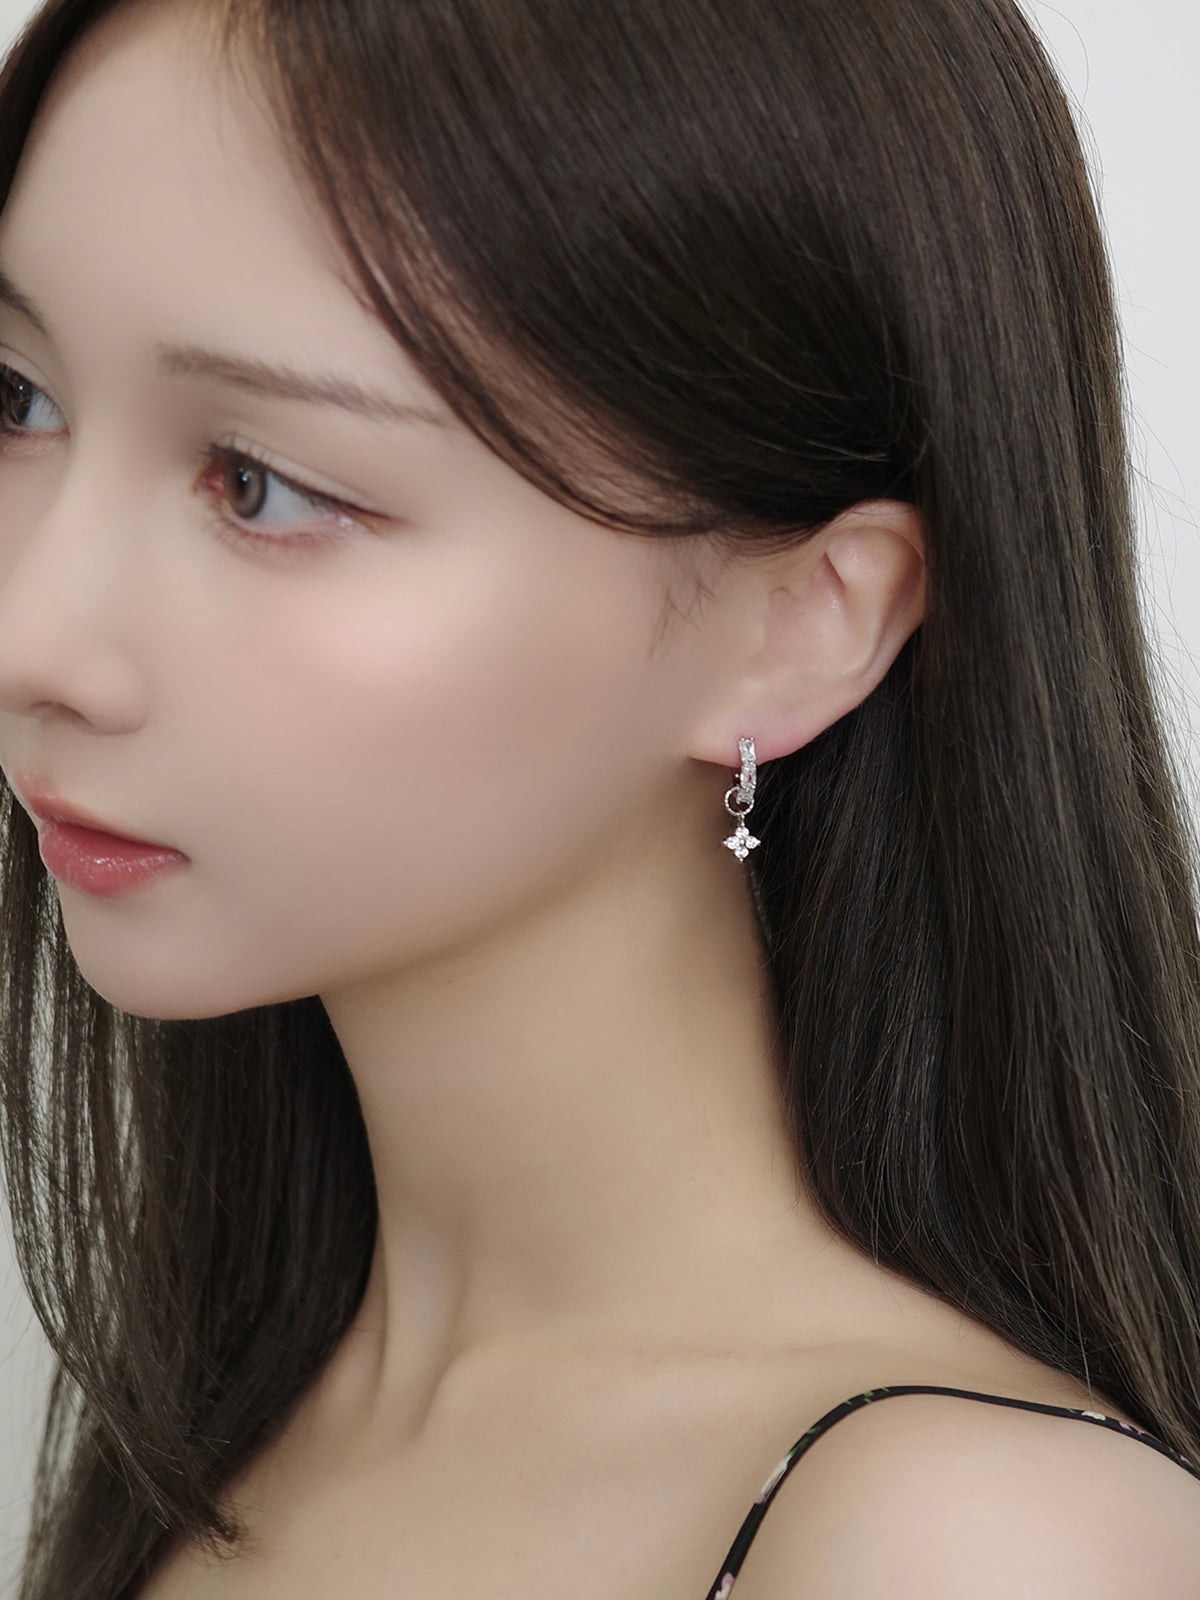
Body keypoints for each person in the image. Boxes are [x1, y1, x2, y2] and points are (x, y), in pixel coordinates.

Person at [0, 0, 1198, 1594]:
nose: (32, 634)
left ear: (802, 622)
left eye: (261, 484)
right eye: (17, 401)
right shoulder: (229, 1423)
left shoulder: (964, 1549)